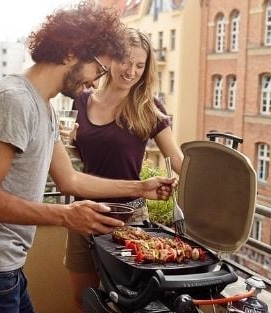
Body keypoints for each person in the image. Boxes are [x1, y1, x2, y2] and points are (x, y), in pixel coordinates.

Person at [0, 4, 175, 313]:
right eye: (99, 69)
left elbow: (70, 179)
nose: (95, 81)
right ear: (70, 52)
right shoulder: (13, 101)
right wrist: (66, 215)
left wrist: (141, 188)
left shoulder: (44, 106)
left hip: (4, 267)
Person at [63, 28, 184, 312]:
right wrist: (65, 143)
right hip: (83, 213)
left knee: (124, 304)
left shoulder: (148, 108)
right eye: (126, 62)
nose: (131, 71)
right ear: (111, 60)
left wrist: (218, 187)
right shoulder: (81, 100)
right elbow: (73, 156)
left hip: (128, 219)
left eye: (140, 65)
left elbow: (177, 160)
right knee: (83, 299)